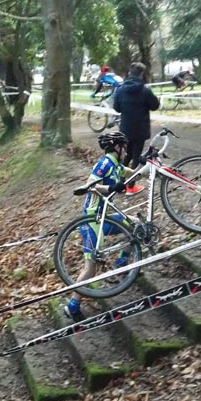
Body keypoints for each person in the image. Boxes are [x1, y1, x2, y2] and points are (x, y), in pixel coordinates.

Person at [64, 132, 137, 322]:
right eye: (125, 147)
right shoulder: (105, 163)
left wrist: (147, 164)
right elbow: (89, 185)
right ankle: (72, 306)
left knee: (134, 226)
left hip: (105, 219)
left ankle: (121, 262)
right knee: (91, 268)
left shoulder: (116, 166)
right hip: (91, 220)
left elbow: (133, 174)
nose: (126, 151)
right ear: (117, 147)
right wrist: (110, 188)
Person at [113, 62, 160, 196]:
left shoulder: (120, 89)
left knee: (125, 156)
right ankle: (131, 186)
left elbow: (116, 107)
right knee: (136, 157)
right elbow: (155, 106)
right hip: (140, 129)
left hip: (125, 128)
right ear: (141, 74)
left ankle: (120, 184)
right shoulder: (145, 90)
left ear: (129, 73)